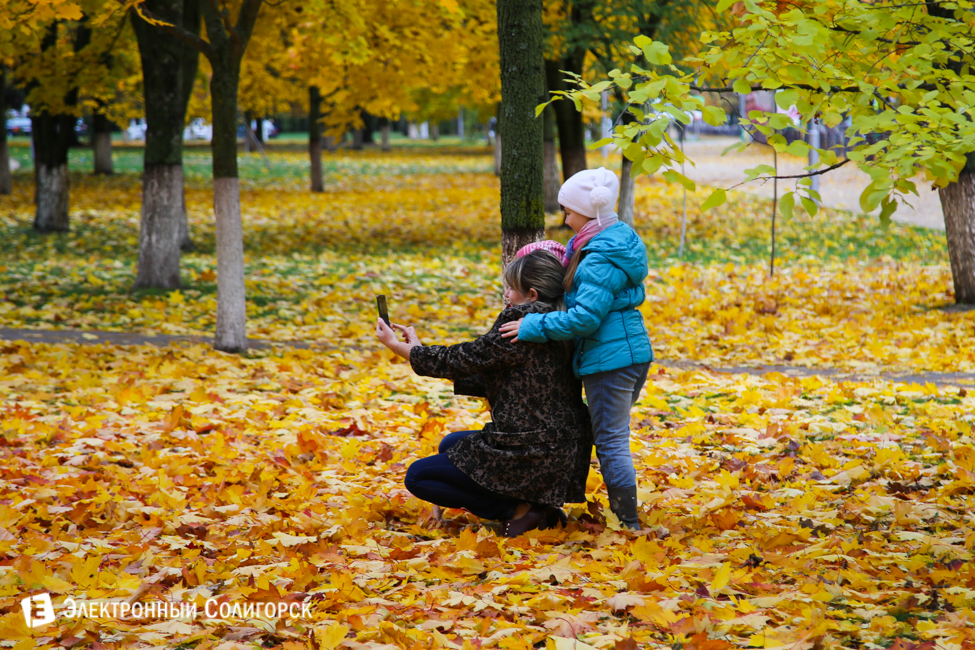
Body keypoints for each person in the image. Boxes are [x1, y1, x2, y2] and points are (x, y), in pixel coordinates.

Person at [376, 250, 592, 537]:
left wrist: (400, 349)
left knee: (417, 476)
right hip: (561, 447)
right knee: (451, 443)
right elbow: (502, 373)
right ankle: (536, 506)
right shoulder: (561, 320)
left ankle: (518, 513)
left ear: (531, 294)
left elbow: (461, 359)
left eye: (511, 288)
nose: (506, 294)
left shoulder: (520, 322)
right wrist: (416, 349)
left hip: (531, 450)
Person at [500, 167, 653, 530]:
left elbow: (586, 319)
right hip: (624, 352)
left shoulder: (598, 256)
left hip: (611, 359)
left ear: (588, 210)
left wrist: (532, 324)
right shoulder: (608, 240)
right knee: (607, 433)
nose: (565, 218)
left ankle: (628, 524)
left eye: (568, 211)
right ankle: (621, 517)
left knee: (611, 441)